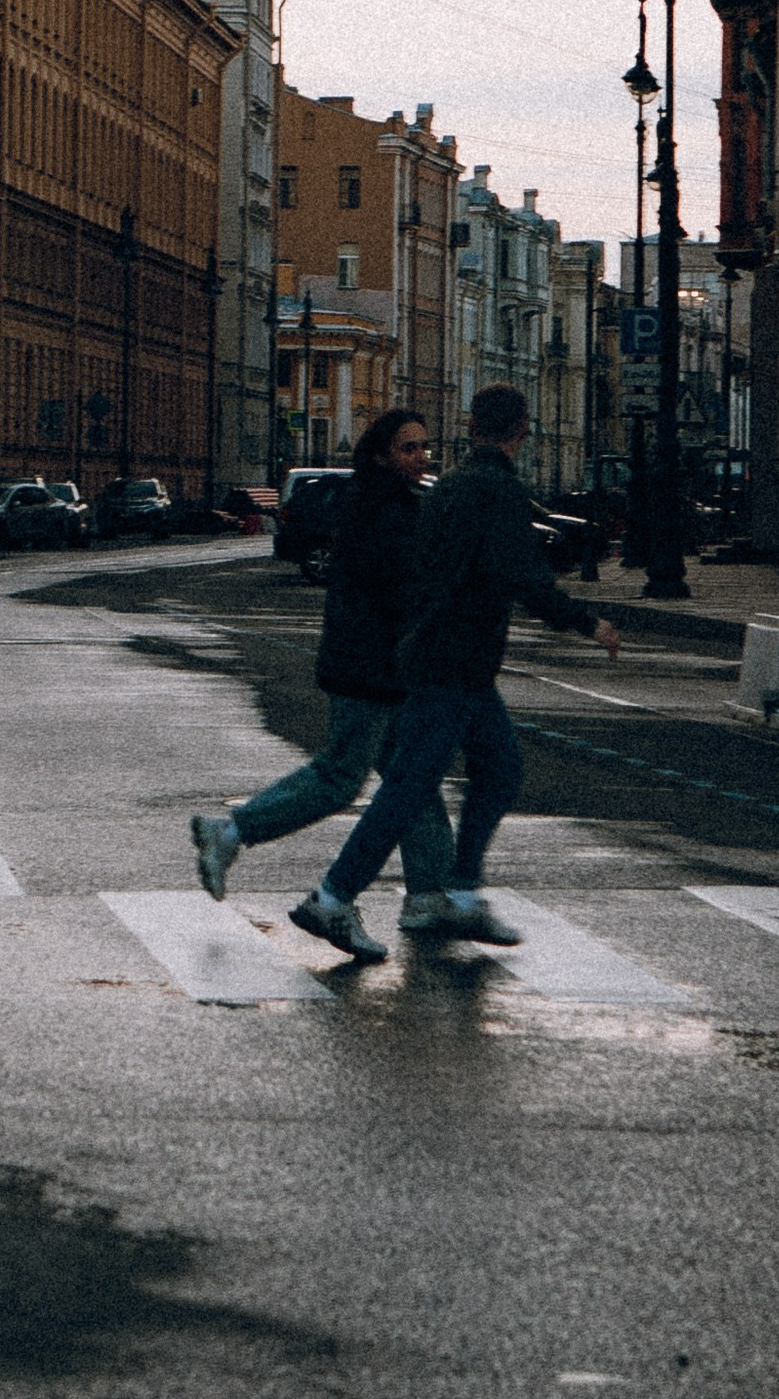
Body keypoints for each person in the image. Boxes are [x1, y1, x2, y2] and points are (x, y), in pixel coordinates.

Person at [290, 383, 620, 966]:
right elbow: (524, 575)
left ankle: (459, 890)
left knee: (496, 769)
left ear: (470, 429)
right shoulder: (497, 490)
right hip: (452, 662)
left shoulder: (450, 488)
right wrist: (586, 622)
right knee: (414, 785)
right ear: (523, 429)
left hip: (449, 659)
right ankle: (334, 896)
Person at [190, 408, 456, 927]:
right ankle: (230, 832)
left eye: (424, 447)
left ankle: (429, 894)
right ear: (381, 455)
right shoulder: (382, 509)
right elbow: (402, 591)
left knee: (415, 781)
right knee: (339, 777)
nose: (421, 457)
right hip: (369, 670)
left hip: (385, 668)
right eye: (408, 448)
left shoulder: (391, 502)